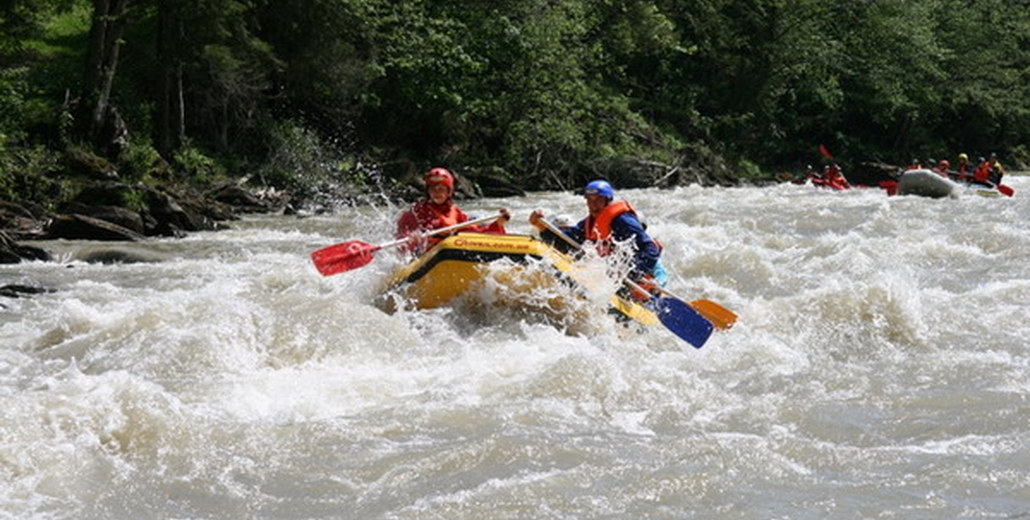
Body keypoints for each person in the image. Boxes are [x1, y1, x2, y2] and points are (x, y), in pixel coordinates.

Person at [528, 180, 667, 300]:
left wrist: (631, 272)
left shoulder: (623, 221)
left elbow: (651, 249)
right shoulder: (591, 223)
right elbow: (568, 242)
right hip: (614, 279)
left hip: (637, 282)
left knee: (637, 287)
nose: (592, 205)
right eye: (589, 200)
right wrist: (542, 228)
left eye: (597, 200)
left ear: (608, 200)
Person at [395, 167, 511, 254]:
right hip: (423, 256)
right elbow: (401, 235)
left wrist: (498, 223)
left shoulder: (455, 212)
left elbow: (475, 232)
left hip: (448, 253)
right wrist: (412, 238)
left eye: (441, 189)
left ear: (449, 191)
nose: (437, 193)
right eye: (433, 189)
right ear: (428, 191)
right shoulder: (417, 211)